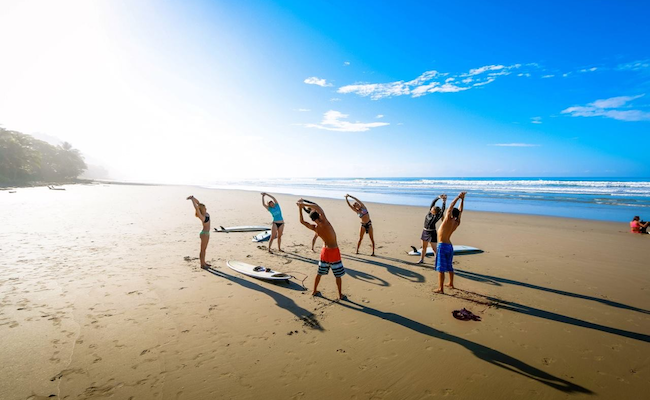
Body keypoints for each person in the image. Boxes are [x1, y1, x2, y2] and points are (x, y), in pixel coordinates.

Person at [297, 199, 345, 300]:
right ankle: (339, 295)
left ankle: (314, 290)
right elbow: (317, 207)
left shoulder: (315, 228)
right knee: (337, 276)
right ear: (319, 216)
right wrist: (303, 204)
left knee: (319, 273)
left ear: (312, 219)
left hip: (325, 252)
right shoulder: (326, 223)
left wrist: (300, 208)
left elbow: (301, 221)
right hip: (334, 251)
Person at [434, 192, 466, 294]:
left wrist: (458, 197)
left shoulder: (448, 220)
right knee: (449, 266)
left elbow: (451, 206)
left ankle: (440, 289)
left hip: (442, 246)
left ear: (451, 213)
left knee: (441, 268)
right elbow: (460, 211)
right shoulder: (457, 222)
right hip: (449, 246)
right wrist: (462, 200)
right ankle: (451, 283)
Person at [418, 194, 447, 264]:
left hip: (432, 233)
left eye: (432, 209)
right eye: (431, 209)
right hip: (425, 232)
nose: (431, 209)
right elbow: (433, 203)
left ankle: (437, 262)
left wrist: (444, 202)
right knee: (423, 248)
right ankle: (421, 260)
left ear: (435, 211)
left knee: (434, 249)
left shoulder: (437, 216)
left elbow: (442, 210)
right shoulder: (429, 213)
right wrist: (438, 197)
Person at [187, 195, 211, 269]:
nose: (206, 208)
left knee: (204, 249)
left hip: (206, 233)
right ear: (202, 209)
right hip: (204, 234)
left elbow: (198, 204)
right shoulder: (202, 216)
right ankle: (202, 264)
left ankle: (204, 262)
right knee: (203, 250)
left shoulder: (206, 214)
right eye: (204, 208)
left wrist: (193, 198)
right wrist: (192, 201)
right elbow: (197, 208)